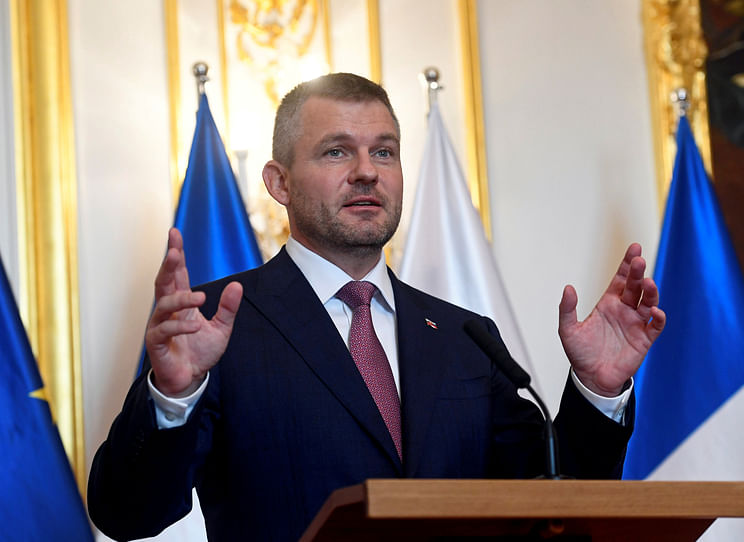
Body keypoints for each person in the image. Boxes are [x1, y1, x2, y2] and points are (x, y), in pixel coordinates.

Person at [88, 73, 665, 541]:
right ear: (278, 182)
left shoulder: (464, 336)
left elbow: (551, 506)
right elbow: (126, 513)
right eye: (337, 151)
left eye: (383, 152)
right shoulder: (217, 323)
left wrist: (597, 391)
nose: (367, 171)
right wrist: (172, 397)